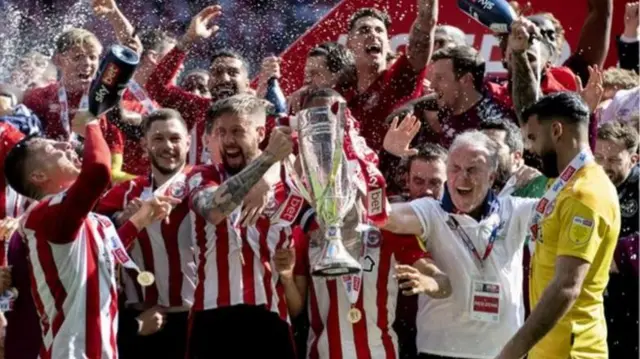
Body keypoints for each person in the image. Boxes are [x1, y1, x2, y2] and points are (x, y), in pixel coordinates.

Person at [2, 110, 175, 358]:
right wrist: (91, 125)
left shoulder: (90, 219)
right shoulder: (45, 215)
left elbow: (105, 257)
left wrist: (140, 220)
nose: (66, 143)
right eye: (52, 148)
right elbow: (98, 173)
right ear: (38, 176)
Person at [382, 130, 538, 359]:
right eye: (455, 168)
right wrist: (385, 159)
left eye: (473, 169)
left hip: (503, 353)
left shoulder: (515, 209)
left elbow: (566, 204)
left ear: (492, 177)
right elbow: (383, 215)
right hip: (440, 351)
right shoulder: (430, 211)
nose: (463, 177)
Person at [497, 92, 620, 359]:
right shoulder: (562, 182)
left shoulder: (585, 194)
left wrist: (513, 350)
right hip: (549, 348)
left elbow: (567, 286)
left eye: (533, 138)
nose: (530, 149)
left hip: (574, 350)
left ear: (555, 131)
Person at [185, 94, 298, 358]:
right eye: (221, 132)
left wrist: (269, 172)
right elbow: (214, 210)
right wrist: (266, 161)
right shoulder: (203, 175)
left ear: (260, 133)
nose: (228, 140)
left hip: (270, 319)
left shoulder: (289, 183)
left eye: (237, 131)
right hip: (213, 318)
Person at [96, 109, 196, 358]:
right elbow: (95, 240)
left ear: (188, 142)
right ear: (144, 144)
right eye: (158, 138)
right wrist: (120, 219)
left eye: (175, 138)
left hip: (193, 319)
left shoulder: (204, 183)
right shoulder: (126, 192)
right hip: (140, 320)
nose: (167, 146)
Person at [146, 5, 252, 166]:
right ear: (209, 82)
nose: (224, 78)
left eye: (232, 73)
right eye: (216, 73)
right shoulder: (197, 109)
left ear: (247, 83)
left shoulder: (261, 114)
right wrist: (187, 39)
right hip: (198, 189)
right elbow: (156, 87)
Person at [20, 28, 125, 180]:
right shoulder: (38, 97)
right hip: (51, 178)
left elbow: (115, 146)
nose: (87, 63)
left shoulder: (106, 98)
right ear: (58, 60)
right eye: (78, 57)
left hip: (95, 178)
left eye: (92, 57)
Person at [340, 0, 436, 153]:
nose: (373, 34)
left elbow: (426, 23)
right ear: (349, 43)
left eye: (379, 30)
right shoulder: (342, 93)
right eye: (364, 30)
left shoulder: (402, 77)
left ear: (387, 43)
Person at [594, 121, 639, 359]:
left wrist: (620, 254)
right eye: (599, 157)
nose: (604, 166)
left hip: (632, 300)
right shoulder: (590, 183)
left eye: (613, 160)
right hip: (599, 300)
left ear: (634, 159)